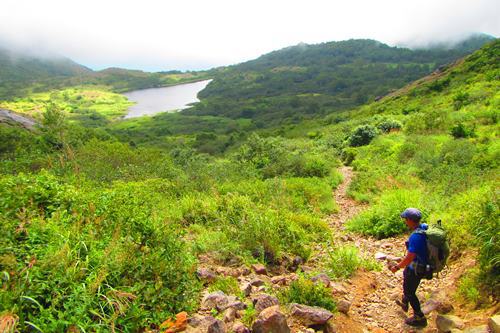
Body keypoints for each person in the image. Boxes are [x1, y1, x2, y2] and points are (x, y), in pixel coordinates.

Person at [389, 208, 428, 327]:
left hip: (417, 267)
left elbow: (409, 257)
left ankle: (419, 317)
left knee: (410, 291)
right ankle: (405, 302)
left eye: (406, 219)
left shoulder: (415, 237)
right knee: (407, 281)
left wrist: (397, 267)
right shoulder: (424, 227)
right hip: (421, 264)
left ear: (411, 220)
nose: (405, 222)